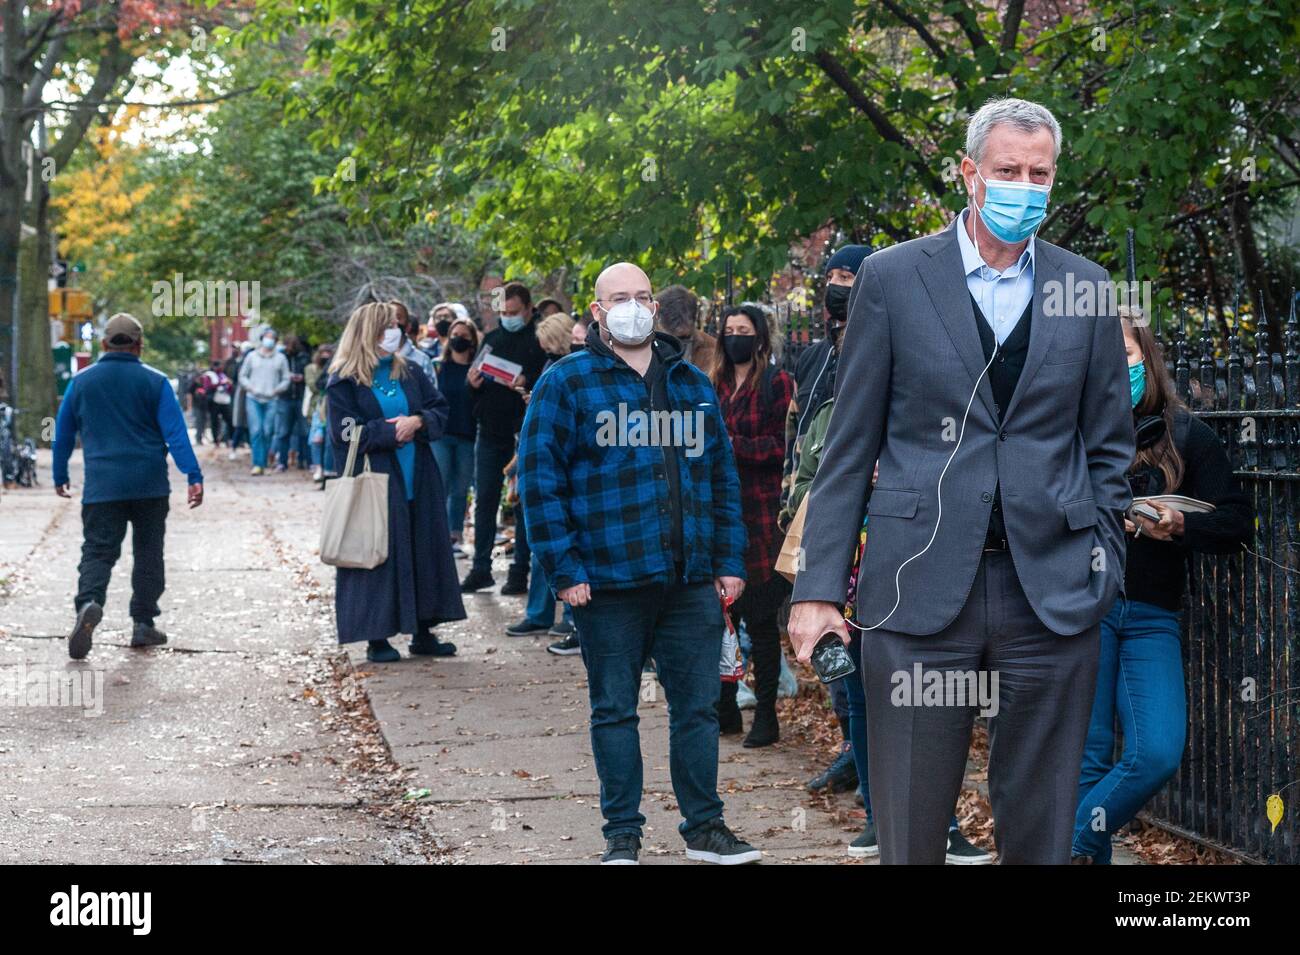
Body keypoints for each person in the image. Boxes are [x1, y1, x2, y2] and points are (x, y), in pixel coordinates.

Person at [788, 98, 1134, 865]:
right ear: (969, 173)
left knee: (1043, 824)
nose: (1024, 187)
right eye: (1007, 170)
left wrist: (1103, 557)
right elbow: (849, 450)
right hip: (916, 588)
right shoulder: (892, 278)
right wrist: (817, 589)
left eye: (1039, 173)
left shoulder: (1086, 286)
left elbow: (1110, 446)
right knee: (910, 823)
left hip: (1052, 588)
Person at [519, 261, 760, 866]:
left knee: (698, 709)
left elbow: (721, 479)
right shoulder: (566, 383)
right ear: (596, 313)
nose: (633, 306)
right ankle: (621, 835)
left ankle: (705, 827)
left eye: (643, 296)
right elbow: (541, 483)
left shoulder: (690, 383)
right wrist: (564, 570)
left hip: (689, 580)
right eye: (619, 298)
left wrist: (729, 559)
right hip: (607, 581)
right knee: (614, 711)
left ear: (656, 307)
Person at [1073, 318, 1253, 863]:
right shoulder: (1068, 430)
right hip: (1083, 611)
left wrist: (1178, 526)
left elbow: (1238, 522)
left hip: (1152, 614)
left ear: (1146, 358)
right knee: (1089, 759)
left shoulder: (1185, 435)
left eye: (1125, 353)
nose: (1115, 365)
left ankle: (1067, 843)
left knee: (1157, 752)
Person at [52, 313, 204, 659]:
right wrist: (193, 476)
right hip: (149, 484)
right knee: (149, 552)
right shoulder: (156, 382)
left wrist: (59, 475)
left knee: (98, 550)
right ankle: (143, 623)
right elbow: (176, 434)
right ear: (139, 345)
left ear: (104, 344)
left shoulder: (81, 382)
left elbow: (62, 435)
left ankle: (88, 602)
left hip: (102, 486)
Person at [326, 302, 466, 662]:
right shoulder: (344, 379)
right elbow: (344, 433)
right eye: (387, 326)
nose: (395, 332)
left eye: (396, 326)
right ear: (369, 331)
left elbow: (438, 408)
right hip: (375, 479)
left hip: (417, 476)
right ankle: (377, 636)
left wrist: (417, 421)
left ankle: (424, 630)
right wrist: (391, 430)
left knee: (423, 551)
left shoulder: (409, 371)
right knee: (379, 555)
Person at [787, 246, 869, 797]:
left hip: (872, 526)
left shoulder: (884, 344)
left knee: (864, 656)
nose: (837, 285)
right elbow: (807, 437)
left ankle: (870, 780)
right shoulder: (816, 357)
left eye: (849, 277)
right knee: (830, 645)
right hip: (817, 513)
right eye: (832, 275)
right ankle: (852, 749)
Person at [710, 305, 794, 748]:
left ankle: (766, 713)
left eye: (743, 331)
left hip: (762, 518)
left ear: (760, 337)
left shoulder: (776, 384)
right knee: (722, 615)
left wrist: (731, 445)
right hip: (723, 515)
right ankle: (725, 708)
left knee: (760, 622)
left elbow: (785, 447)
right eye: (728, 331)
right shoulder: (714, 383)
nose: (734, 338)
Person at [460, 281, 548, 595]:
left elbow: (549, 381)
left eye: (513, 312)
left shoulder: (539, 341)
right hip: (490, 431)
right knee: (484, 501)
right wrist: (472, 382)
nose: (508, 317)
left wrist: (529, 381)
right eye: (503, 312)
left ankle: (518, 571)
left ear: (527, 309)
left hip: (523, 433)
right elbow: (473, 386)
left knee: (522, 504)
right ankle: (480, 567)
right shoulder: (493, 339)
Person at [504, 313, 580, 654]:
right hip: (544, 462)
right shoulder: (554, 367)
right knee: (540, 543)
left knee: (548, 541)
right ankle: (544, 612)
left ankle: (559, 616)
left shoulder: (568, 369)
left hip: (559, 468)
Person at [432, 316, 479, 556]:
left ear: (472, 340)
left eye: (463, 335)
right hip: (441, 434)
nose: (458, 339)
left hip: (468, 434)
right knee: (440, 484)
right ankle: (437, 534)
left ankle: (455, 534)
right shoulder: (437, 366)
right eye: (454, 335)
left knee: (461, 488)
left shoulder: (478, 370)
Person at [238, 326, 291, 475]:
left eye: (272, 338)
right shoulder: (252, 356)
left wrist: (277, 389)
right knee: (256, 431)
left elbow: (286, 378)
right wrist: (250, 387)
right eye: (267, 337)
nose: (269, 340)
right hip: (253, 398)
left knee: (267, 431)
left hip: (272, 398)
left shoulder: (281, 358)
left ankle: (265, 460)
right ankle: (257, 464)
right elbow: (242, 376)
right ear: (262, 339)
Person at [655, 284, 716, 371]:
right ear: (658, 322)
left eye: (684, 338)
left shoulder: (712, 350)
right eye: (672, 339)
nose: (680, 345)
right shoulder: (645, 347)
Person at [276, 335, 312, 472]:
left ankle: (307, 461)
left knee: (304, 432)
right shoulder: (281, 358)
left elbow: (309, 376)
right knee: (283, 432)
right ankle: (282, 462)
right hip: (285, 397)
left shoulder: (304, 358)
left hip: (301, 398)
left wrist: (301, 378)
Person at [304, 342, 336, 483]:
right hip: (320, 406)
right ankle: (319, 468)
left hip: (333, 406)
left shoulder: (336, 364)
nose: (325, 356)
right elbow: (316, 385)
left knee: (330, 440)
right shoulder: (312, 368)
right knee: (317, 438)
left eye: (328, 353)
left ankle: (328, 470)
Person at [391, 300, 435, 379]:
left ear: (408, 326)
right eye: (389, 317)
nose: (394, 321)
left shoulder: (422, 360)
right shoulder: (373, 358)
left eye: (398, 317)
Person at [226, 342, 253, 458]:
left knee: (253, 426)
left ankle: (254, 449)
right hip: (241, 395)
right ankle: (234, 448)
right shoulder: (238, 363)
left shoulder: (250, 361)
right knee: (240, 424)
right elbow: (234, 379)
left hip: (254, 394)